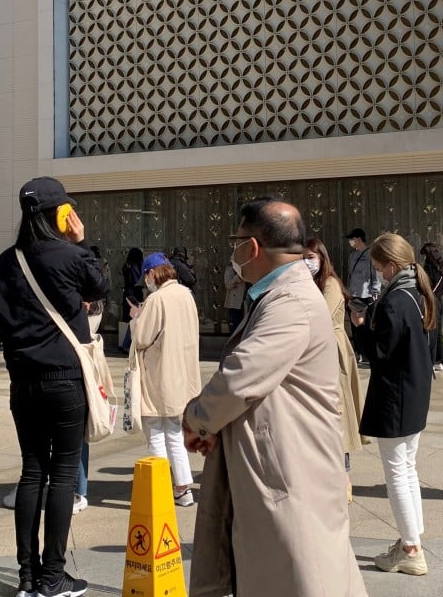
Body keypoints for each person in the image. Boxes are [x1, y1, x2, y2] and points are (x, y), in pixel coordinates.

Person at [183, 197, 366, 597]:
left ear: (250, 247)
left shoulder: (292, 302)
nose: (232, 252)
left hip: (289, 470)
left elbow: (241, 377)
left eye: (235, 241)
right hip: (279, 461)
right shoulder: (277, 295)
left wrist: (196, 418)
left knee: (300, 576)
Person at [0, 177, 109, 597]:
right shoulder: (70, 255)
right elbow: (100, 288)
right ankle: (53, 577)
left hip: (22, 382)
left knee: (31, 472)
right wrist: (82, 241)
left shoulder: (7, 261)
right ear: (60, 213)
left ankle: (27, 577)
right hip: (64, 380)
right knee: (62, 475)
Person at [351, 233, 436, 577]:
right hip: (414, 393)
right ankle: (410, 541)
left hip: (395, 396)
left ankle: (411, 548)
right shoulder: (416, 293)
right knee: (408, 468)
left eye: (377, 265)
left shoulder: (395, 300)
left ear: (390, 264)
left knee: (397, 473)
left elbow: (379, 352)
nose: (377, 272)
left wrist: (359, 327)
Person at [129, 252, 201, 507]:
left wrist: (136, 317)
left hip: (159, 377)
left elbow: (141, 338)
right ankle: (183, 488)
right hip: (183, 375)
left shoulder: (156, 299)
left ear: (151, 274)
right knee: (175, 433)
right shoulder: (186, 295)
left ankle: (161, 486)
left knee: (157, 435)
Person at [304, 237, 363, 502]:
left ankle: (344, 479)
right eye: (303, 257)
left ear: (322, 258)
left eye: (311, 257)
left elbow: (318, 317)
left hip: (333, 352)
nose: (307, 262)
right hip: (315, 353)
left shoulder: (330, 284)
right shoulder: (310, 284)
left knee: (338, 415)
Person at [346, 228, 380, 363]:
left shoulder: (370, 255)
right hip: (353, 294)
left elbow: (375, 274)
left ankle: (368, 351)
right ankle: (358, 351)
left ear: (358, 239)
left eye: (352, 239)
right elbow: (350, 275)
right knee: (355, 325)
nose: (351, 242)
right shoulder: (352, 255)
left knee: (366, 324)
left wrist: (375, 292)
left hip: (366, 295)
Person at [419, 242, 443, 373]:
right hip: (439, 300)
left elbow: (427, 285)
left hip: (431, 300)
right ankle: (438, 360)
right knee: (438, 331)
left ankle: (430, 361)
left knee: (431, 330)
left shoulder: (430, 267)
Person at [119, 247, 143, 352]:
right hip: (134, 294)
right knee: (135, 319)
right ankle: (127, 344)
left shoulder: (128, 265)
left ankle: (127, 344)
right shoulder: (135, 267)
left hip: (128, 294)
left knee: (133, 320)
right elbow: (137, 281)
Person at [223, 261, 246, 333]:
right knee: (236, 322)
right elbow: (228, 285)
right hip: (234, 302)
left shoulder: (246, 269)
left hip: (245, 300)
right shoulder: (230, 269)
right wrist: (237, 277)